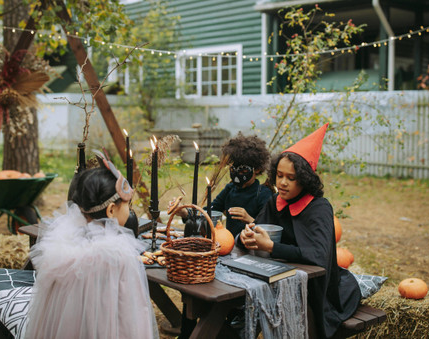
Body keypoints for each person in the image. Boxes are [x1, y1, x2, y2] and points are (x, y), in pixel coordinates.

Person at [239, 124, 361, 339]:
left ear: (304, 179)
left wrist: (272, 247)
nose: (283, 183)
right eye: (279, 175)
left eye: (291, 178)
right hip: (275, 279)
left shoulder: (319, 208)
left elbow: (318, 255)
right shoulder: (274, 202)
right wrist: (245, 236)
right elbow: (255, 229)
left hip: (315, 289)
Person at [26, 155, 158, 339]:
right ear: (111, 210)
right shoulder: (117, 252)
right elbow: (131, 313)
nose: (129, 210)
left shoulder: (65, 239)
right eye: (126, 205)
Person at [170, 133, 273, 238]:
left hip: (253, 247)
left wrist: (249, 219)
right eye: (233, 169)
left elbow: (269, 229)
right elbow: (209, 212)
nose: (237, 174)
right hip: (230, 245)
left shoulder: (263, 194)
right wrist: (185, 212)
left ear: (257, 169)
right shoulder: (231, 189)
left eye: (243, 170)